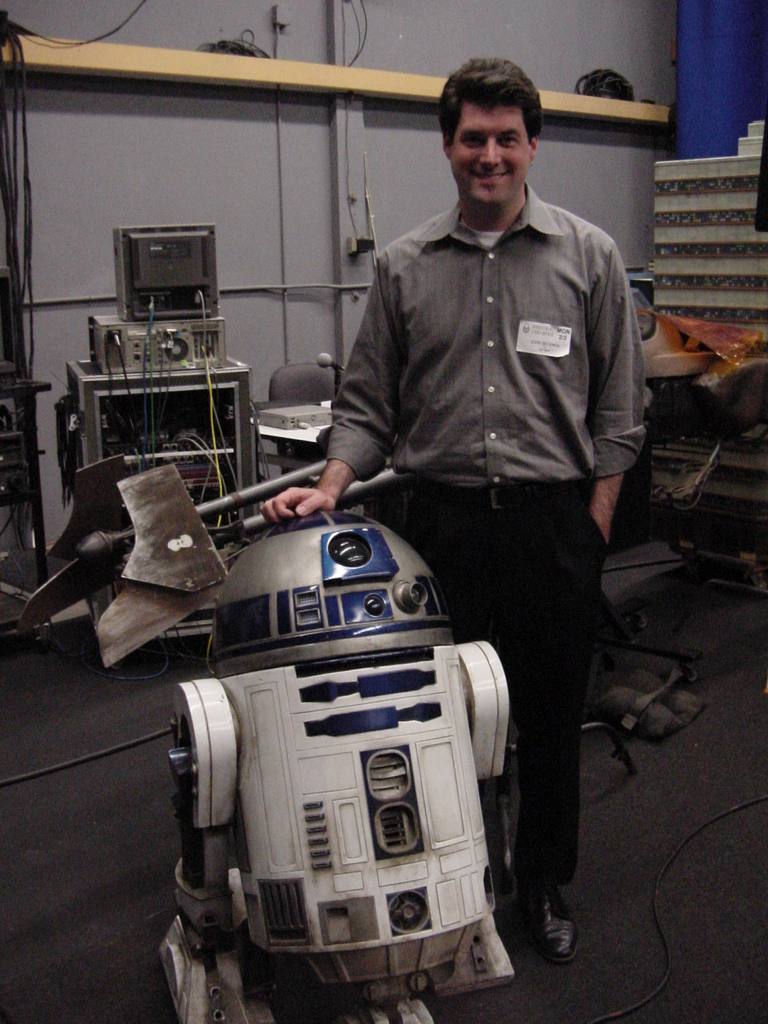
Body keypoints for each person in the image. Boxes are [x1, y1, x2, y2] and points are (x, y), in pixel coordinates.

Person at [261, 57, 645, 964]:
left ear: (532, 145)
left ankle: (543, 879)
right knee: (439, 718)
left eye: (507, 138)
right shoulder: (401, 268)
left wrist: (591, 529)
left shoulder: (588, 257)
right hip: (437, 531)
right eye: (473, 138)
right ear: (447, 146)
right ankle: (461, 874)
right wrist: (328, 484)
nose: (490, 155)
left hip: (553, 526)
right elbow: (365, 410)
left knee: (549, 718)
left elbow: (622, 415)